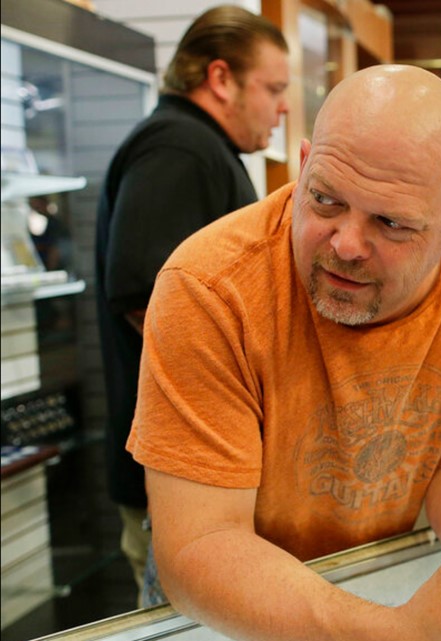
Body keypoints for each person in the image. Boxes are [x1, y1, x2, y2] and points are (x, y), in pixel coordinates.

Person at [127, 65, 441, 640]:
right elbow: (200, 544)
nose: (346, 245)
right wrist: (397, 635)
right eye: (323, 200)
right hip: (230, 604)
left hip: (376, 579)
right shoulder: (209, 288)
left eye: (392, 223)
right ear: (302, 168)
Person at [94, 5, 289, 605]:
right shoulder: (180, 146)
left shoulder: (196, 146)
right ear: (221, 78)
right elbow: (144, 293)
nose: (282, 106)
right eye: (273, 88)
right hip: (178, 481)